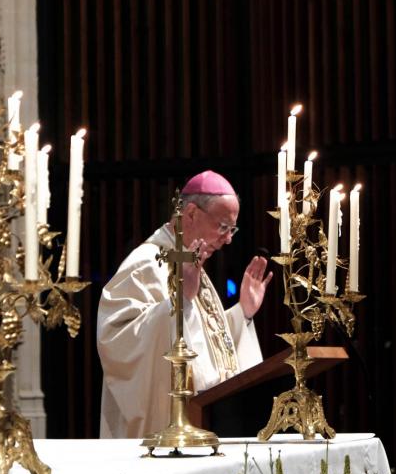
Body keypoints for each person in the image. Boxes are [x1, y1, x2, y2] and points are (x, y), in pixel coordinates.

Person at [97, 170, 274, 438]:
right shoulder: (146, 262)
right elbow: (116, 340)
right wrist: (181, 302)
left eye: (232, 229)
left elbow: (205, 345)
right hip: (166, 430)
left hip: (212, 420)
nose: (228, 239)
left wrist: (242, 313)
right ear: (190, 213)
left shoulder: (191, 262)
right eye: (223, 227)